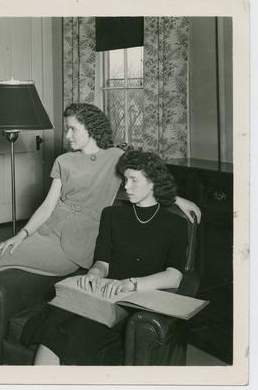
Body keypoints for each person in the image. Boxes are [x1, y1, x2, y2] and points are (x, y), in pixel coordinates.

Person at [0, 103, 200, 362]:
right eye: (67, 129)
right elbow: (48, 205)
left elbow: (147, 173)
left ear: (91, 129)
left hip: (77, 243)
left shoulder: (115, 158)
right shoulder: (63, 161)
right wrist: (21, 235)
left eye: (72, 129)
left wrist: (176, 199)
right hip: (49, 228)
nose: (67, 136)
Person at [23, 150, 189, 365]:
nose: (126, 186)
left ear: (153, 183)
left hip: (134, 300)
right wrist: (94, 274)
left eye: (133, 180)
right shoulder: (112, 215)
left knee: (72, 332)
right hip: (101, 291)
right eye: (125, 179)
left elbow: (174, 276)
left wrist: (130, 284)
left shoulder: (175, 224)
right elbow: (103, 262)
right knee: (54, 321)